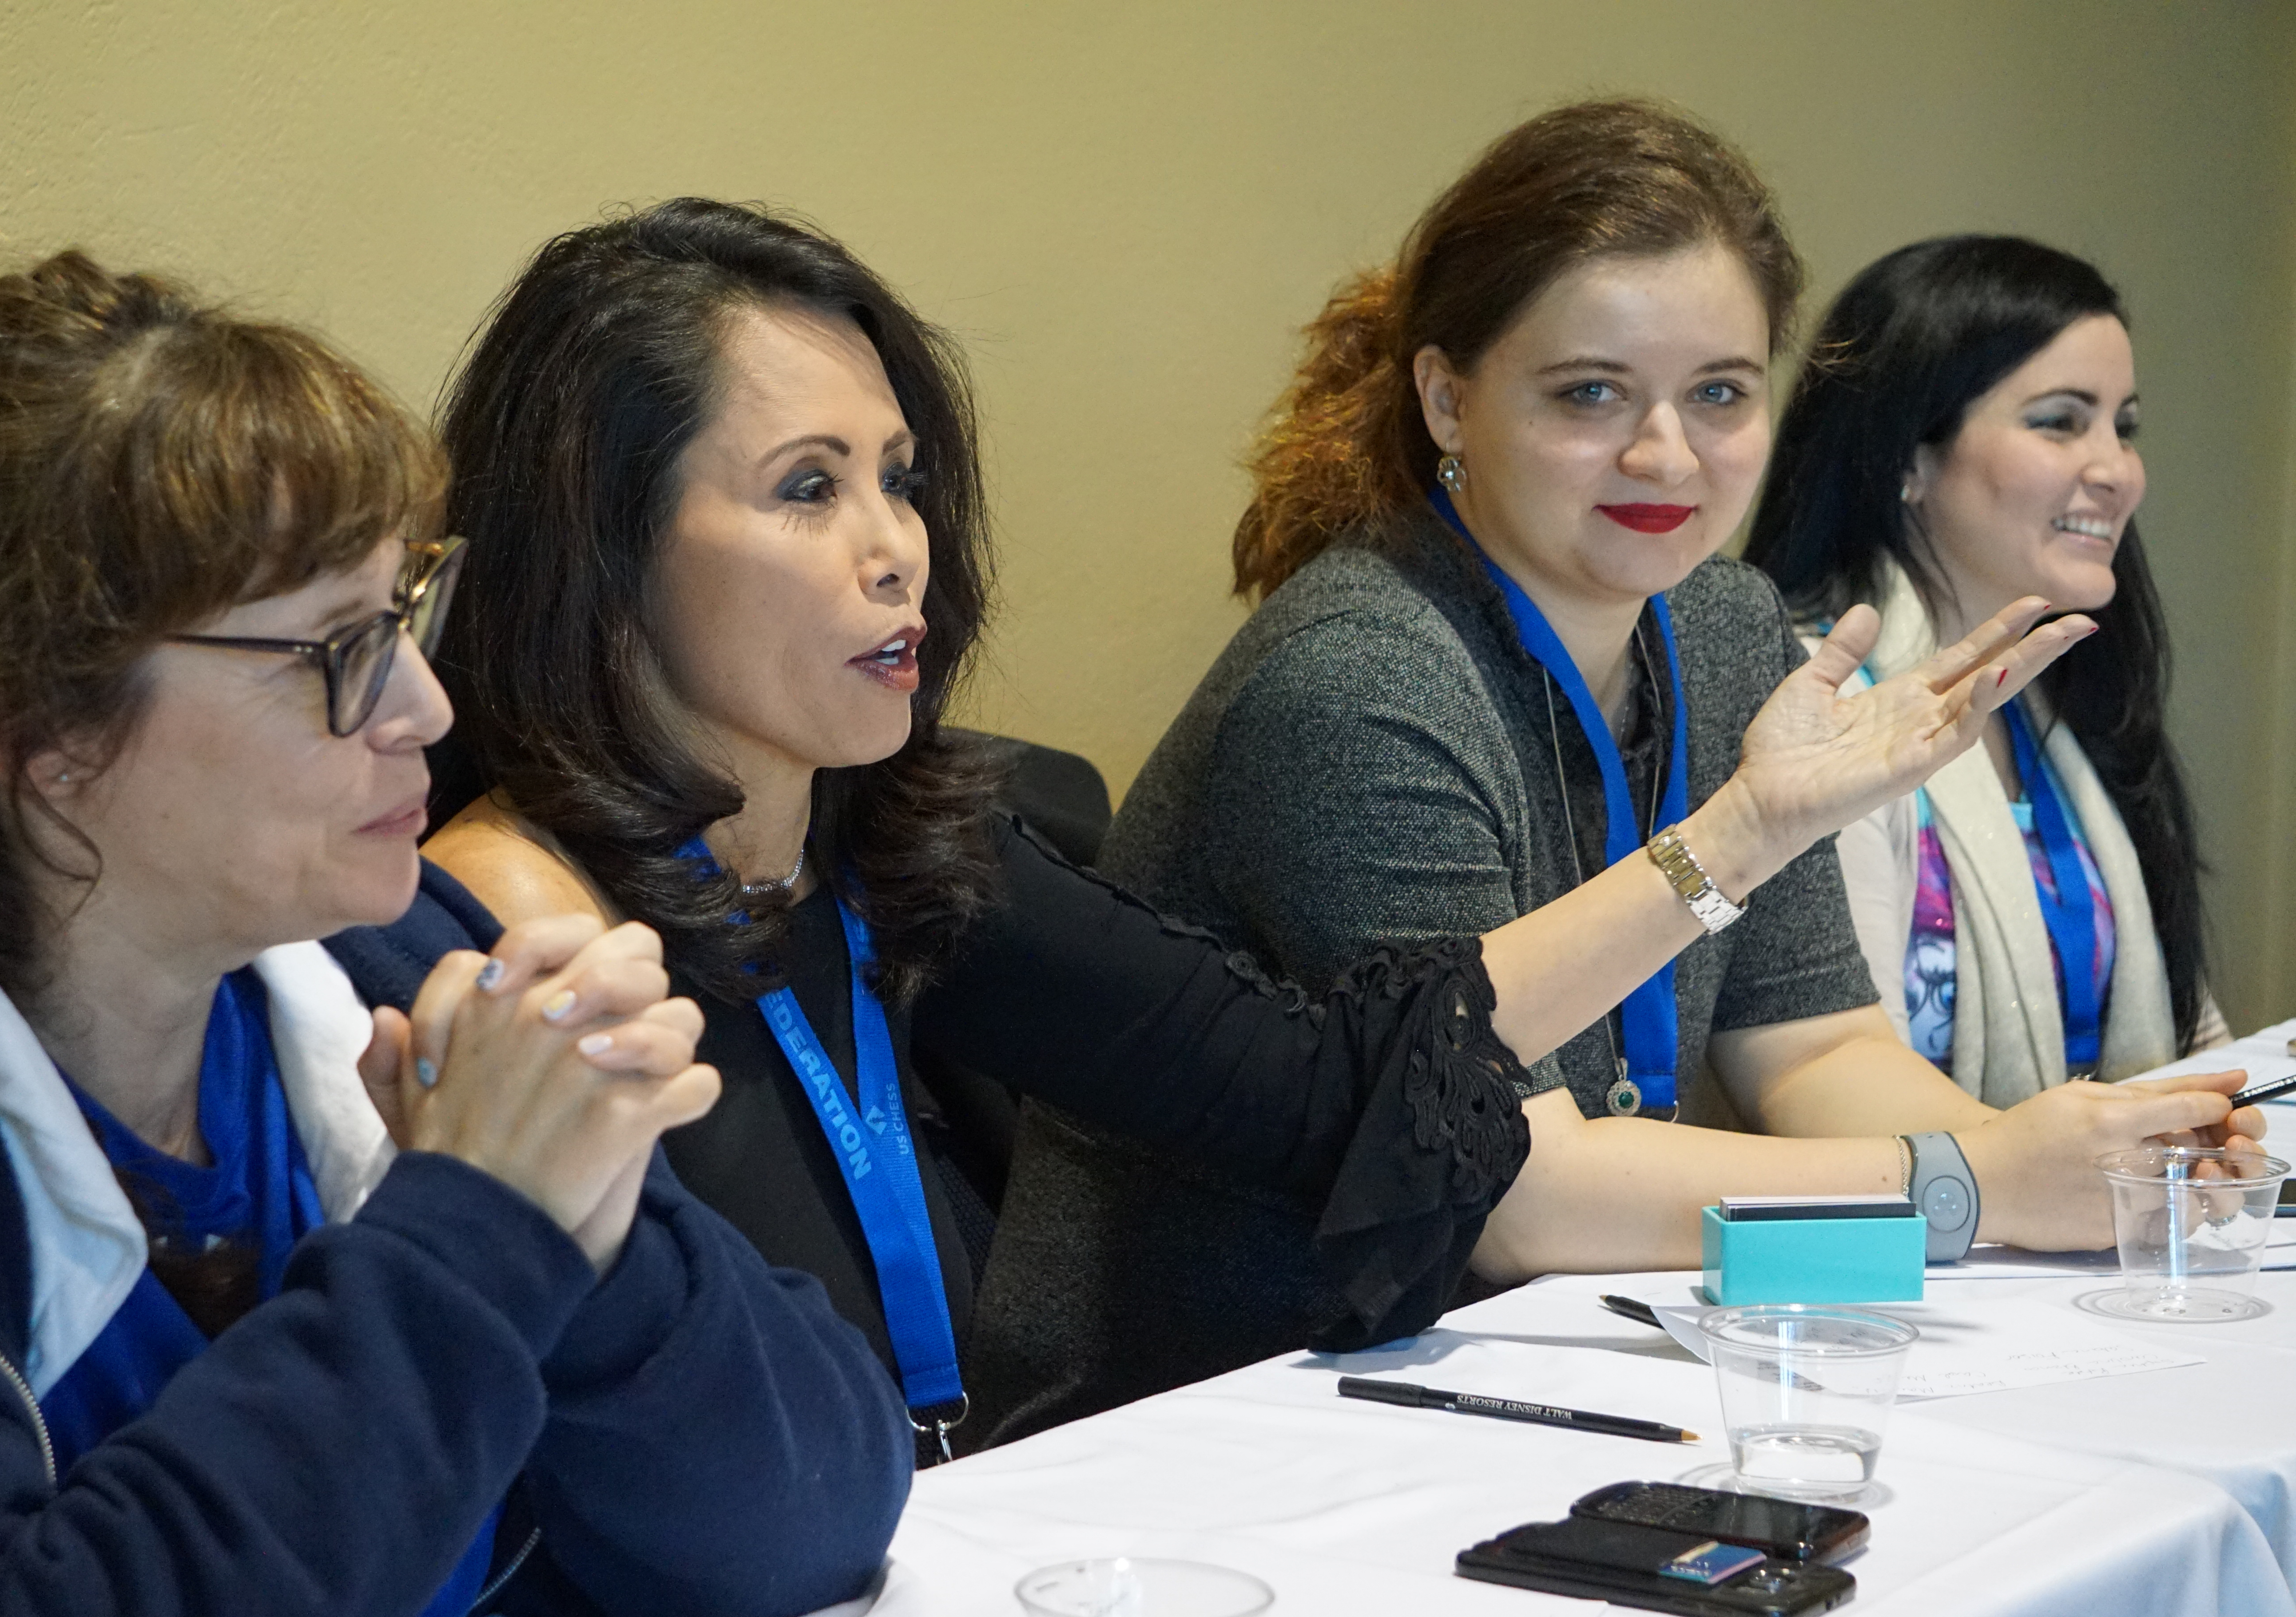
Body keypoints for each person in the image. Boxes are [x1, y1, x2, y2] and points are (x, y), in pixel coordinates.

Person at [333, 196, 2093, 1463]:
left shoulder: (910, 853)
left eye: (903, 477)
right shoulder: (498, 935)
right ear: (605, 539)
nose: (897, 549)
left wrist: (1743, 833)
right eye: (809, 488)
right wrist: (1968, 1182)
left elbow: (1334, 1085)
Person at [0, 251, 910, 1617]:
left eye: (405, 613)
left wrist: (590, 1225)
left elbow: (806, 1525)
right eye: (339, 655)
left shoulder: (368, 950)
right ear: (33, 721)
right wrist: (482, 1231)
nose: (426, 709)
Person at [981, 99, 2258, 1440]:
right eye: (1591, 393)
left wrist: (2068, 1171)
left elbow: (1812, 1040)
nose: (1667, 456)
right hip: (1213, 1412)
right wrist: (1975, 1181)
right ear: (1444, 397)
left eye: (1719, 392)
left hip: (1509, 1360)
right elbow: (1524, 1195)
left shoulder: (1722, 626)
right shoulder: (1358, 680)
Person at [1744, 235, 2225, 1101]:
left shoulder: (2064, 697)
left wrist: (2218, 1128)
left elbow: (2194, 1039)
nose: (2117, 471)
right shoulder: (1815, 702)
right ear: (1910, 458)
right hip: (1908, 1225)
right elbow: (1824, 1080)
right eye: (2060, 421)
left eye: (2124, 426)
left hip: (2095, 1223)